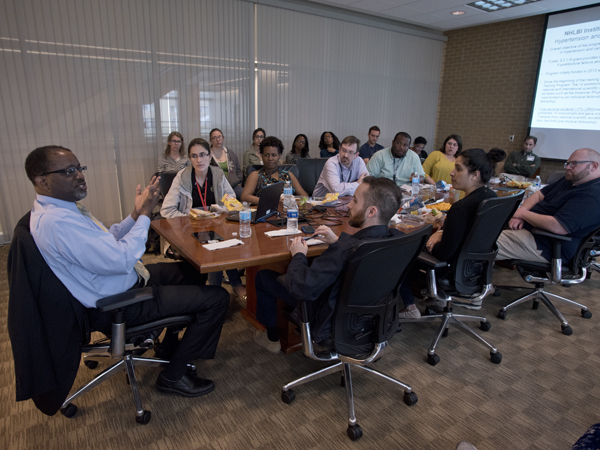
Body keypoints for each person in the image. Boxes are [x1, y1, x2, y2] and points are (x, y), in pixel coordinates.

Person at [25, 145, 230, 397]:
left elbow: (106, 240)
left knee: (192, 271)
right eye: (69, 171)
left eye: (80, 168)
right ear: (42, 181)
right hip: (116, 301)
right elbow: (120, 259)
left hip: (119, 282)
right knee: (218, 299)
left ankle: (168, 348)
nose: (79, 175)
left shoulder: (62, 210)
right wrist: (145, 215)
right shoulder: (58, 223)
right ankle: (174, 376)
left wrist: (135, 214)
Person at [253, 176, 404, 352]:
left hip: (330, 324)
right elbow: (357, 251)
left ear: (371, 212)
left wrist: (299, 255)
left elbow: (301, 287)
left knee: (263, 277)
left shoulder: (344, 250)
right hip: (372, 323)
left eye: (354, 201)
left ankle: (271, 339)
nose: (348, 205)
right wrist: (337, 240)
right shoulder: (397, 241)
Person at [399, 148, 507, 317]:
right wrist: (443, 231)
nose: (451, 173)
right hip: (475, 270)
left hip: (452, 270)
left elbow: (443, 253)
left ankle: (409, 306)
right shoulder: (491, 198)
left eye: (458, 169)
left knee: (404, 251)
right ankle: (438, 300)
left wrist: (430, 241)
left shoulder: (461, 208)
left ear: (475, 175)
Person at [161, 138, 247, 300]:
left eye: (202, 155)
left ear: (209, 156)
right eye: (194, 156)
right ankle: (219, 291)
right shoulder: (182, 177)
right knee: (213, 247)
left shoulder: (217, 173)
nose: (199, 160)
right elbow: (167, 210)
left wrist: (220, 209)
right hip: (189, 230)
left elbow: (231, 198)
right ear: (189, 158)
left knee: (227, 240)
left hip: (215, 225)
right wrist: (192, 218)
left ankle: (223, 288)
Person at [495, 148, 600, 266]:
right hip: (531, 230)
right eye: (568, 163)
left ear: (594, 166)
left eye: (574, 163)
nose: (568, 167)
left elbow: (558, 226)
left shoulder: (593, 195)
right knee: (481, 227)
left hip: (546, 244)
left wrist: (522, 214)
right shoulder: (571, 180)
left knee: (478, 244)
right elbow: (540, 194)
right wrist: (522, 211)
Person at [241, 136, 308, 205]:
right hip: (266, 212)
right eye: (266, 155)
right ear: (262, 156)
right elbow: (244, 197)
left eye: (274, 155)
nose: (270, 159)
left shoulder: (289, 175)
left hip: (288, 212)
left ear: (279, 156)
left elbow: (305, 197)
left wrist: (292, 202)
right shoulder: (256, 175)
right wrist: (270, 202)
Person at [367, 132, 434, 187]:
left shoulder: (414, 157)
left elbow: (422, 177)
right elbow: (368, 178)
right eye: (398, 143)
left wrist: (417, 178)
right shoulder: (379, 156)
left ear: (409, 146)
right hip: (384, 190)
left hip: (406, 191)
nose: (401, 147)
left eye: (405, 145)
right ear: (393, 143)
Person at [209, 128, 243, 198]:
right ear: (210, 140)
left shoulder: (230, 153)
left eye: (219, 137)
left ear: (223, 138)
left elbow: (238, 171)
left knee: (246, 195)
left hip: (233, 186)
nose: (218, 140)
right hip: (217, 188)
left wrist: (237, 181)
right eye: (214, 138)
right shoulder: (208, 156)